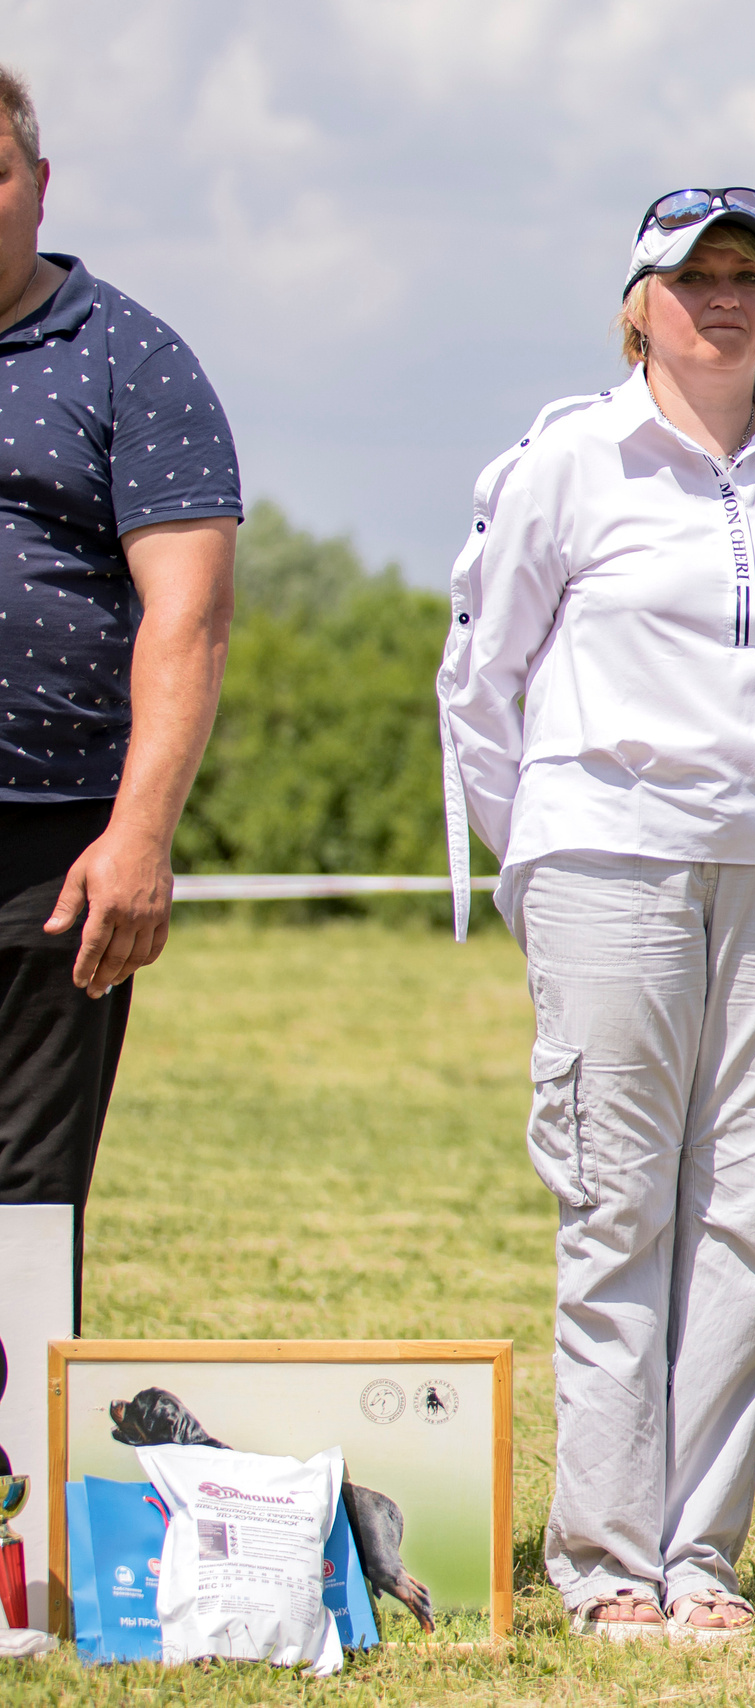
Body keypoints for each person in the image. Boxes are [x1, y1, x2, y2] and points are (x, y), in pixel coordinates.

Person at [438, 187, 755, 1644]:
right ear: (639, 304)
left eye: (745, 275)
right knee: (620, 1205)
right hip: (605, 857)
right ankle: (611, 1555)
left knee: (751, 1211)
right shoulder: (567, 459)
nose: (720, 299)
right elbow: (479, 687)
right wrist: (543, 853)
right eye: (691, 279)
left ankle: (703, 1556)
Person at [0, 64, 238, 1329]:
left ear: (37, 185)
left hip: (56, 845)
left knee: (26, 1205)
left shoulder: (131, 359)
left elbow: (187, 619)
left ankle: (10, 1514)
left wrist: (140, 833)